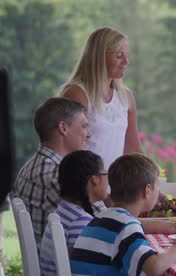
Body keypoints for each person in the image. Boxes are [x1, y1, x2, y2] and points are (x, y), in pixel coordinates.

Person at [39, 150, 108, 276]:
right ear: (94, 180)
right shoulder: (81, 221)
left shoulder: (65, 210)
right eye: (106, 173)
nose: (109, 179)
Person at [12, 97, 90, 248]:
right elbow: (107, 224)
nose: (89, 134)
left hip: (49, 265)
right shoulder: (57, 175)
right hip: (61, 269)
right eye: (84, 126)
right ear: (64, 128)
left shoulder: (33, 166)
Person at [59, 27, 142, 169]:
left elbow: (133, 149)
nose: (126, 61)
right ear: (99, 56)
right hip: (84, 185)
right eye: (119, 56)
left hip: (114, 189)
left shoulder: (126, 98)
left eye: (127, 55)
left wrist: (151, 183)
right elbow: (69, 150)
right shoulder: (78, 94)